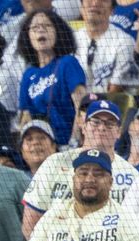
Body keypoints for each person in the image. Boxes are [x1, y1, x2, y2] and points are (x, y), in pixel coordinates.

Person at [21, 98, 139, 239]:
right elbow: (30, 224)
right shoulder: (54, 164)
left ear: (119, 132)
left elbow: (137, 232)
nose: (102, 128)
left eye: (109, 124)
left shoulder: (133, 176)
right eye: (95, 122)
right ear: (83, 127)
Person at [17, 10, 86, 146]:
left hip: (68, 142)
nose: (41, 30)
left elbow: (82, 106)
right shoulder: (28, 74)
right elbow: (26, 117)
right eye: (35, 27)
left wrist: (73, 142)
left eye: (47, 26)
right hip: (42, 146)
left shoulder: (68, 63)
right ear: (28, 36)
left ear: (58, 32)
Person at [77, 0, 139, 94]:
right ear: (81, 8)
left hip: (110, 105)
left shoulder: (125, 41)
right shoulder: (71, 41)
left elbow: (115, 92)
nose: (95, 3)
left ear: (112, 10)